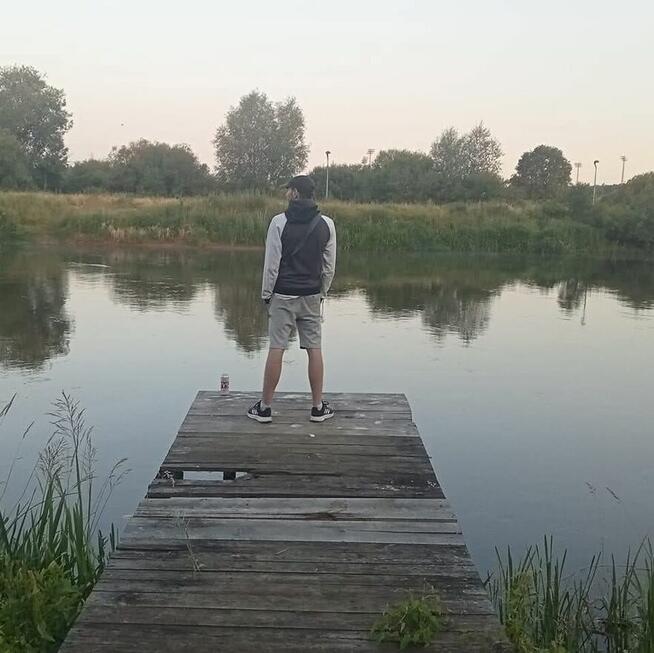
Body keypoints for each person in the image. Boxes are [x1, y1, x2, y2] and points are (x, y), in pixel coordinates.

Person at [247, 175, 336, 424]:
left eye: (289, 190)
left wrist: (267, 294)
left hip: (283, 294)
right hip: (311, 294)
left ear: (296, 193)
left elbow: (271, 265)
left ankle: (265, 409)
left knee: (277, 348)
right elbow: (329, 267)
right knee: (314, 349)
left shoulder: (278, 222)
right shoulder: (327, 224)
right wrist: (322, 292)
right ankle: (317, 408)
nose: (287, 194)